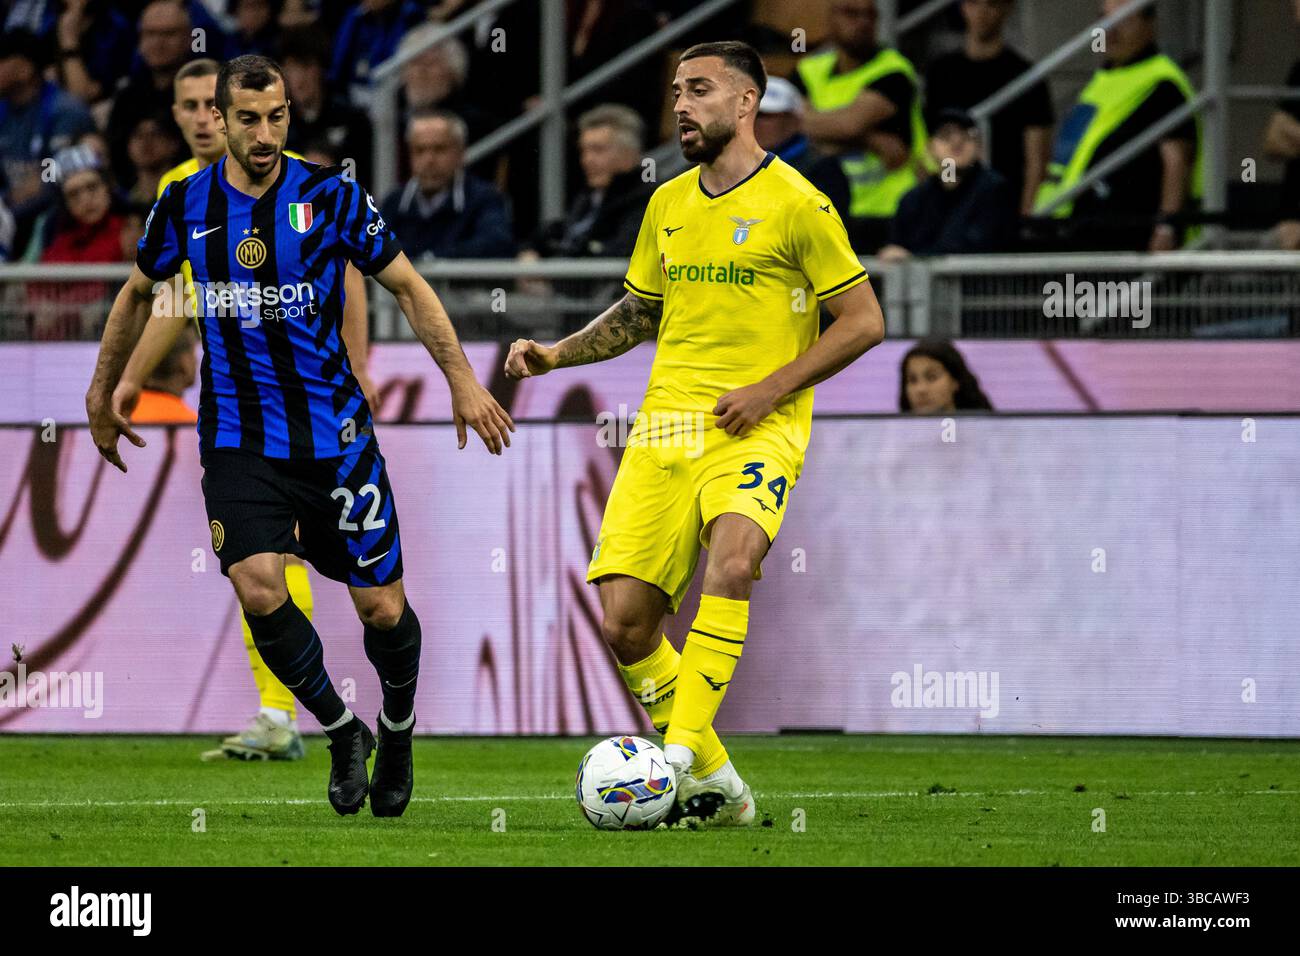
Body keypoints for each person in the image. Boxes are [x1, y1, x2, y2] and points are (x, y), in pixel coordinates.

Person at [87, 55, 514, 817]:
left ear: (289, 114)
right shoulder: (183, 203)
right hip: (238, 438)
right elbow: (137, 292)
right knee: (258, 585)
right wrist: (103, 386)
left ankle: (399, 726)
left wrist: (462, 380)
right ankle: (341, 730)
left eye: (276, 116)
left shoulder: (330, 194)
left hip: (336, 437)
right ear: (217, 118)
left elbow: (407, 287)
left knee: (381, 608)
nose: (263, 132)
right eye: (247, 118)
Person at [505, 41, 885, 827]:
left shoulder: (798, 204)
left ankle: (673, 758)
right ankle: (720, 784)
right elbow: (640, 313)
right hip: (664, 428)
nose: (681, 104)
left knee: (735, 557)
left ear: (747, 103)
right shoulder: (666, 203)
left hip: (758, 426)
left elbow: (864, 321)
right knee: (625, 622)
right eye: (676, 91)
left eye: (700, 90)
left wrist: (770, 388)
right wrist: (554, 353)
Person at [111, 56, 378, 763]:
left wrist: (358, 362)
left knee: (291, 555)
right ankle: (288, 712)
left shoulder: (301, 182)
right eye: (193, 106)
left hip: (314, 399)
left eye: (211, 103)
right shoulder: (181, 194)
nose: (204, 117)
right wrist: (131, 379)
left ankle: (284, 712)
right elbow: (174, 298)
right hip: (234, 405)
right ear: (183, 116)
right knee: (254, 564)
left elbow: (350, 276)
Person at [1035, 0, 1201, 252]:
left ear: (1149, 25)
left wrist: (1166, 228)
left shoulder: (1163, 83)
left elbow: (1177, 160)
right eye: (1105, 19)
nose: (1110, 30)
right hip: (1072, 228)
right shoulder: (1105, 78)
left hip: (1125, 238)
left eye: (1122, 20)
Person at [792, 0, 929, 222]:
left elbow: (848, 125)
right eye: (851, 14)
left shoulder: (894, 71)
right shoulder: (809, 70)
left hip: (888, 209)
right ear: (831, 18)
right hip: (826, 208)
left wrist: (818, 134)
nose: (863, 22)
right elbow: (786, 125)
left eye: (870, 15)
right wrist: (870, 140)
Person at [923, 0, 1053, 216]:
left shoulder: (1027, 77)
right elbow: (928, 145)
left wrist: (1025, 217)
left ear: (1007, 8)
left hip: (1006, 204)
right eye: (973, 3)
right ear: (962, 7)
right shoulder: (941, 72)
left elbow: (1037, 160)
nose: (982, 13)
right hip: (948, 204)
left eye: (991, 4)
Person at [878, 109, 1016, 259]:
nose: (956, 142)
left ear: (978, 147)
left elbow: (978, 247)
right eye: (945, 135)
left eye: (966, 136)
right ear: (930, 147)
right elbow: (895, 247)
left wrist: (914, 257)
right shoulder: (914, 199)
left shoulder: (995, 190)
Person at [379, 109, 515, 260]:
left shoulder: (485, 198)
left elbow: (497, 245)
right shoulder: (394, 202)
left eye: (439, 149)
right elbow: (373, 248)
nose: (429, 160)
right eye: (419, 150)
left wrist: (428, 258)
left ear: (460, 153)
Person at [524, 104, 652, 260]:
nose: (586, 160)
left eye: (598, 150)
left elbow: (620, 251)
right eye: (583, 151)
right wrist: (530, 249)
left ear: (630, 153)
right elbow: (554, 232)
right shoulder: (589, 196)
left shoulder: (647, 199)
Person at [1262, 0, 1300, 250]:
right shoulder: (1299, 69)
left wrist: (1294, 136)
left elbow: (1284, 134)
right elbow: (1272, 142)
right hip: (1289, 228)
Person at [898, 338, 993, 413]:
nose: (921, 389)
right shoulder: (893, 435)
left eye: (932, 377)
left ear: (955, 381)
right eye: (912, 380)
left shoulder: (988, 432)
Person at [130, 324, 200, 424]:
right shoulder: (193, 429)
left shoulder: (119, 419)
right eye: (193, 354)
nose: (196, 361)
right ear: (185, 363)